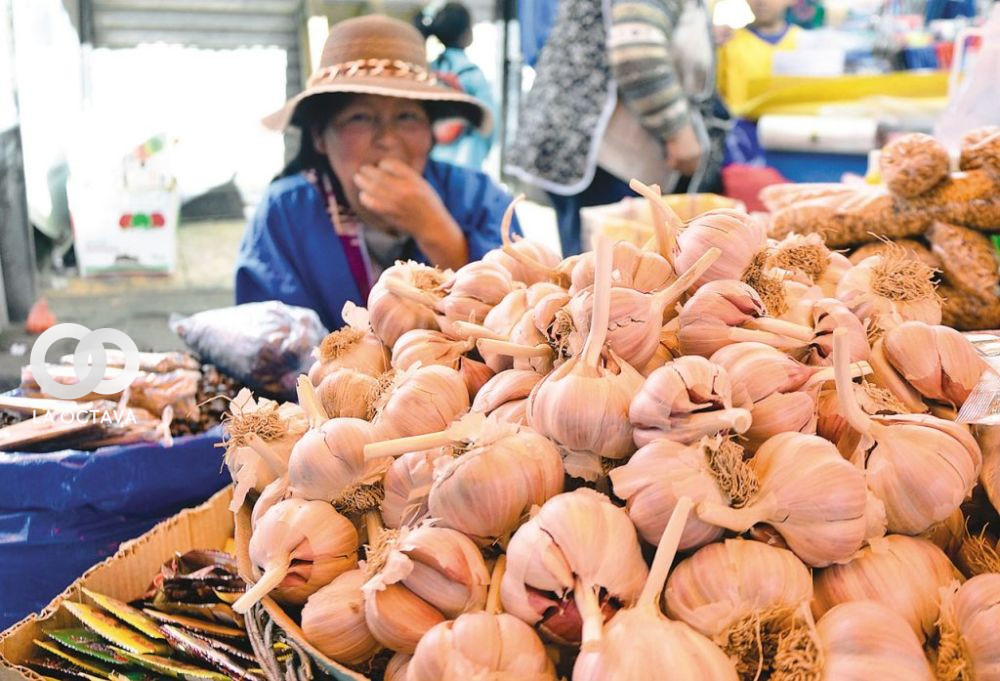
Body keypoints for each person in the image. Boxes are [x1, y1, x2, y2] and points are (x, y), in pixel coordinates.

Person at [235, 15, 518, 332]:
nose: (387, 139)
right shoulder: (285, 213)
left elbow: (520, 313)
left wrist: (437, 232)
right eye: (360, 117)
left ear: (430, 134)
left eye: (407, 116)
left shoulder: (479, 198)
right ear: (319, 138)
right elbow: (268, 336)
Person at [506, 0, 726, 257]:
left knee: (603, 268)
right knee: (606, 270)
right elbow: (637, 50)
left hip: (595, 151)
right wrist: (678, 132)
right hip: (604, 157)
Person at [414, 2, 498, 170]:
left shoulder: (429, 70)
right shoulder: (471, 73)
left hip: (432, 161)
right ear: (466, 34)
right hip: (467, 160)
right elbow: (490, 124)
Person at [716, 0, 802, 113]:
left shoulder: (804, 43)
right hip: (740, 122)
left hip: (794, 120)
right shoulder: (728, 42)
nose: (761, 1)